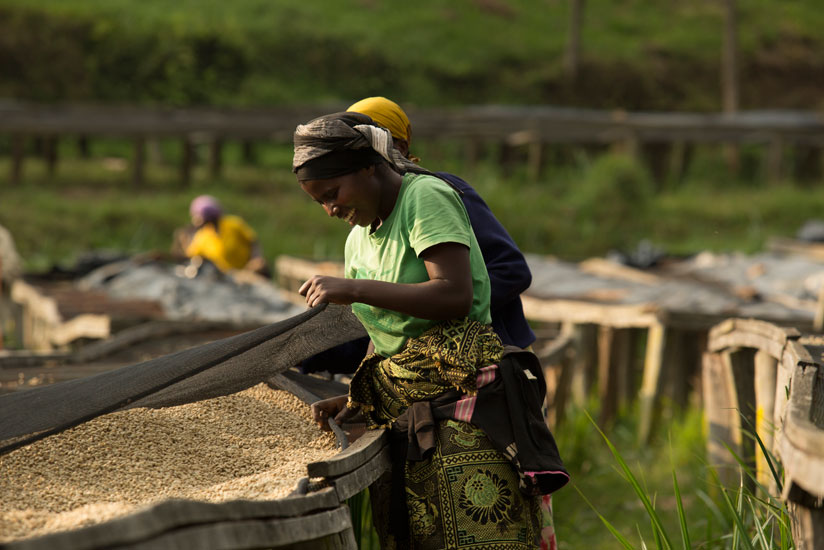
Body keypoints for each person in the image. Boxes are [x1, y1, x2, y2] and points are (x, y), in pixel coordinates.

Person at [294, 112, 567, 549]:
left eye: (333, 193)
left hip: (464, 409)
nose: (331, 209)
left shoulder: (425, 197)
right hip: (412, 414)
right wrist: (357, 395)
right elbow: (385, 338)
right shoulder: (358, 240)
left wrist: (354, 288)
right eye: (319, 202)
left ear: (369, 165)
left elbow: (454, 294)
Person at [298, 96, 535, 376]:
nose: (331, 210)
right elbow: (381, 327)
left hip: (481, 365)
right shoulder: (363, 231)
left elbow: (503, 274)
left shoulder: (433, 195)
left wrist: (428, 318)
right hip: (415, 373)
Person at [183, 195, 268, 276]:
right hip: (227, 277)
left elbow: (252, 240)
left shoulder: (233, 224)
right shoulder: (203, 237)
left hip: (248, 270)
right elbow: (191, 255)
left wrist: (256, 258)